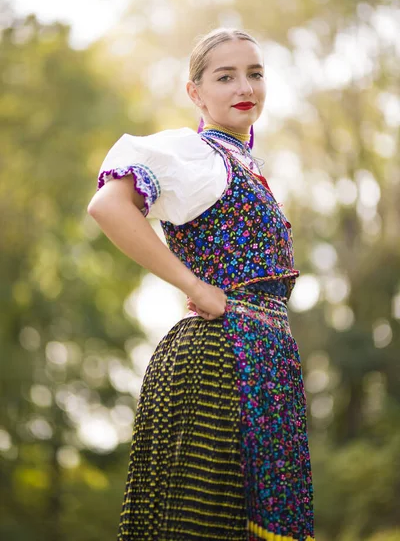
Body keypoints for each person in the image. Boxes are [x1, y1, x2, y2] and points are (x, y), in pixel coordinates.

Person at [87, 28, 314, 541]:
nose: (245, 87)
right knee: (203, 525)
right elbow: (108, 205)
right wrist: (192, 282)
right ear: (196, 92)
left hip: (263, 360)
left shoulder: (243, 164)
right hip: (217, 360)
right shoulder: (193, 154)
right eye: (226, 76)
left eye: (255, 74)